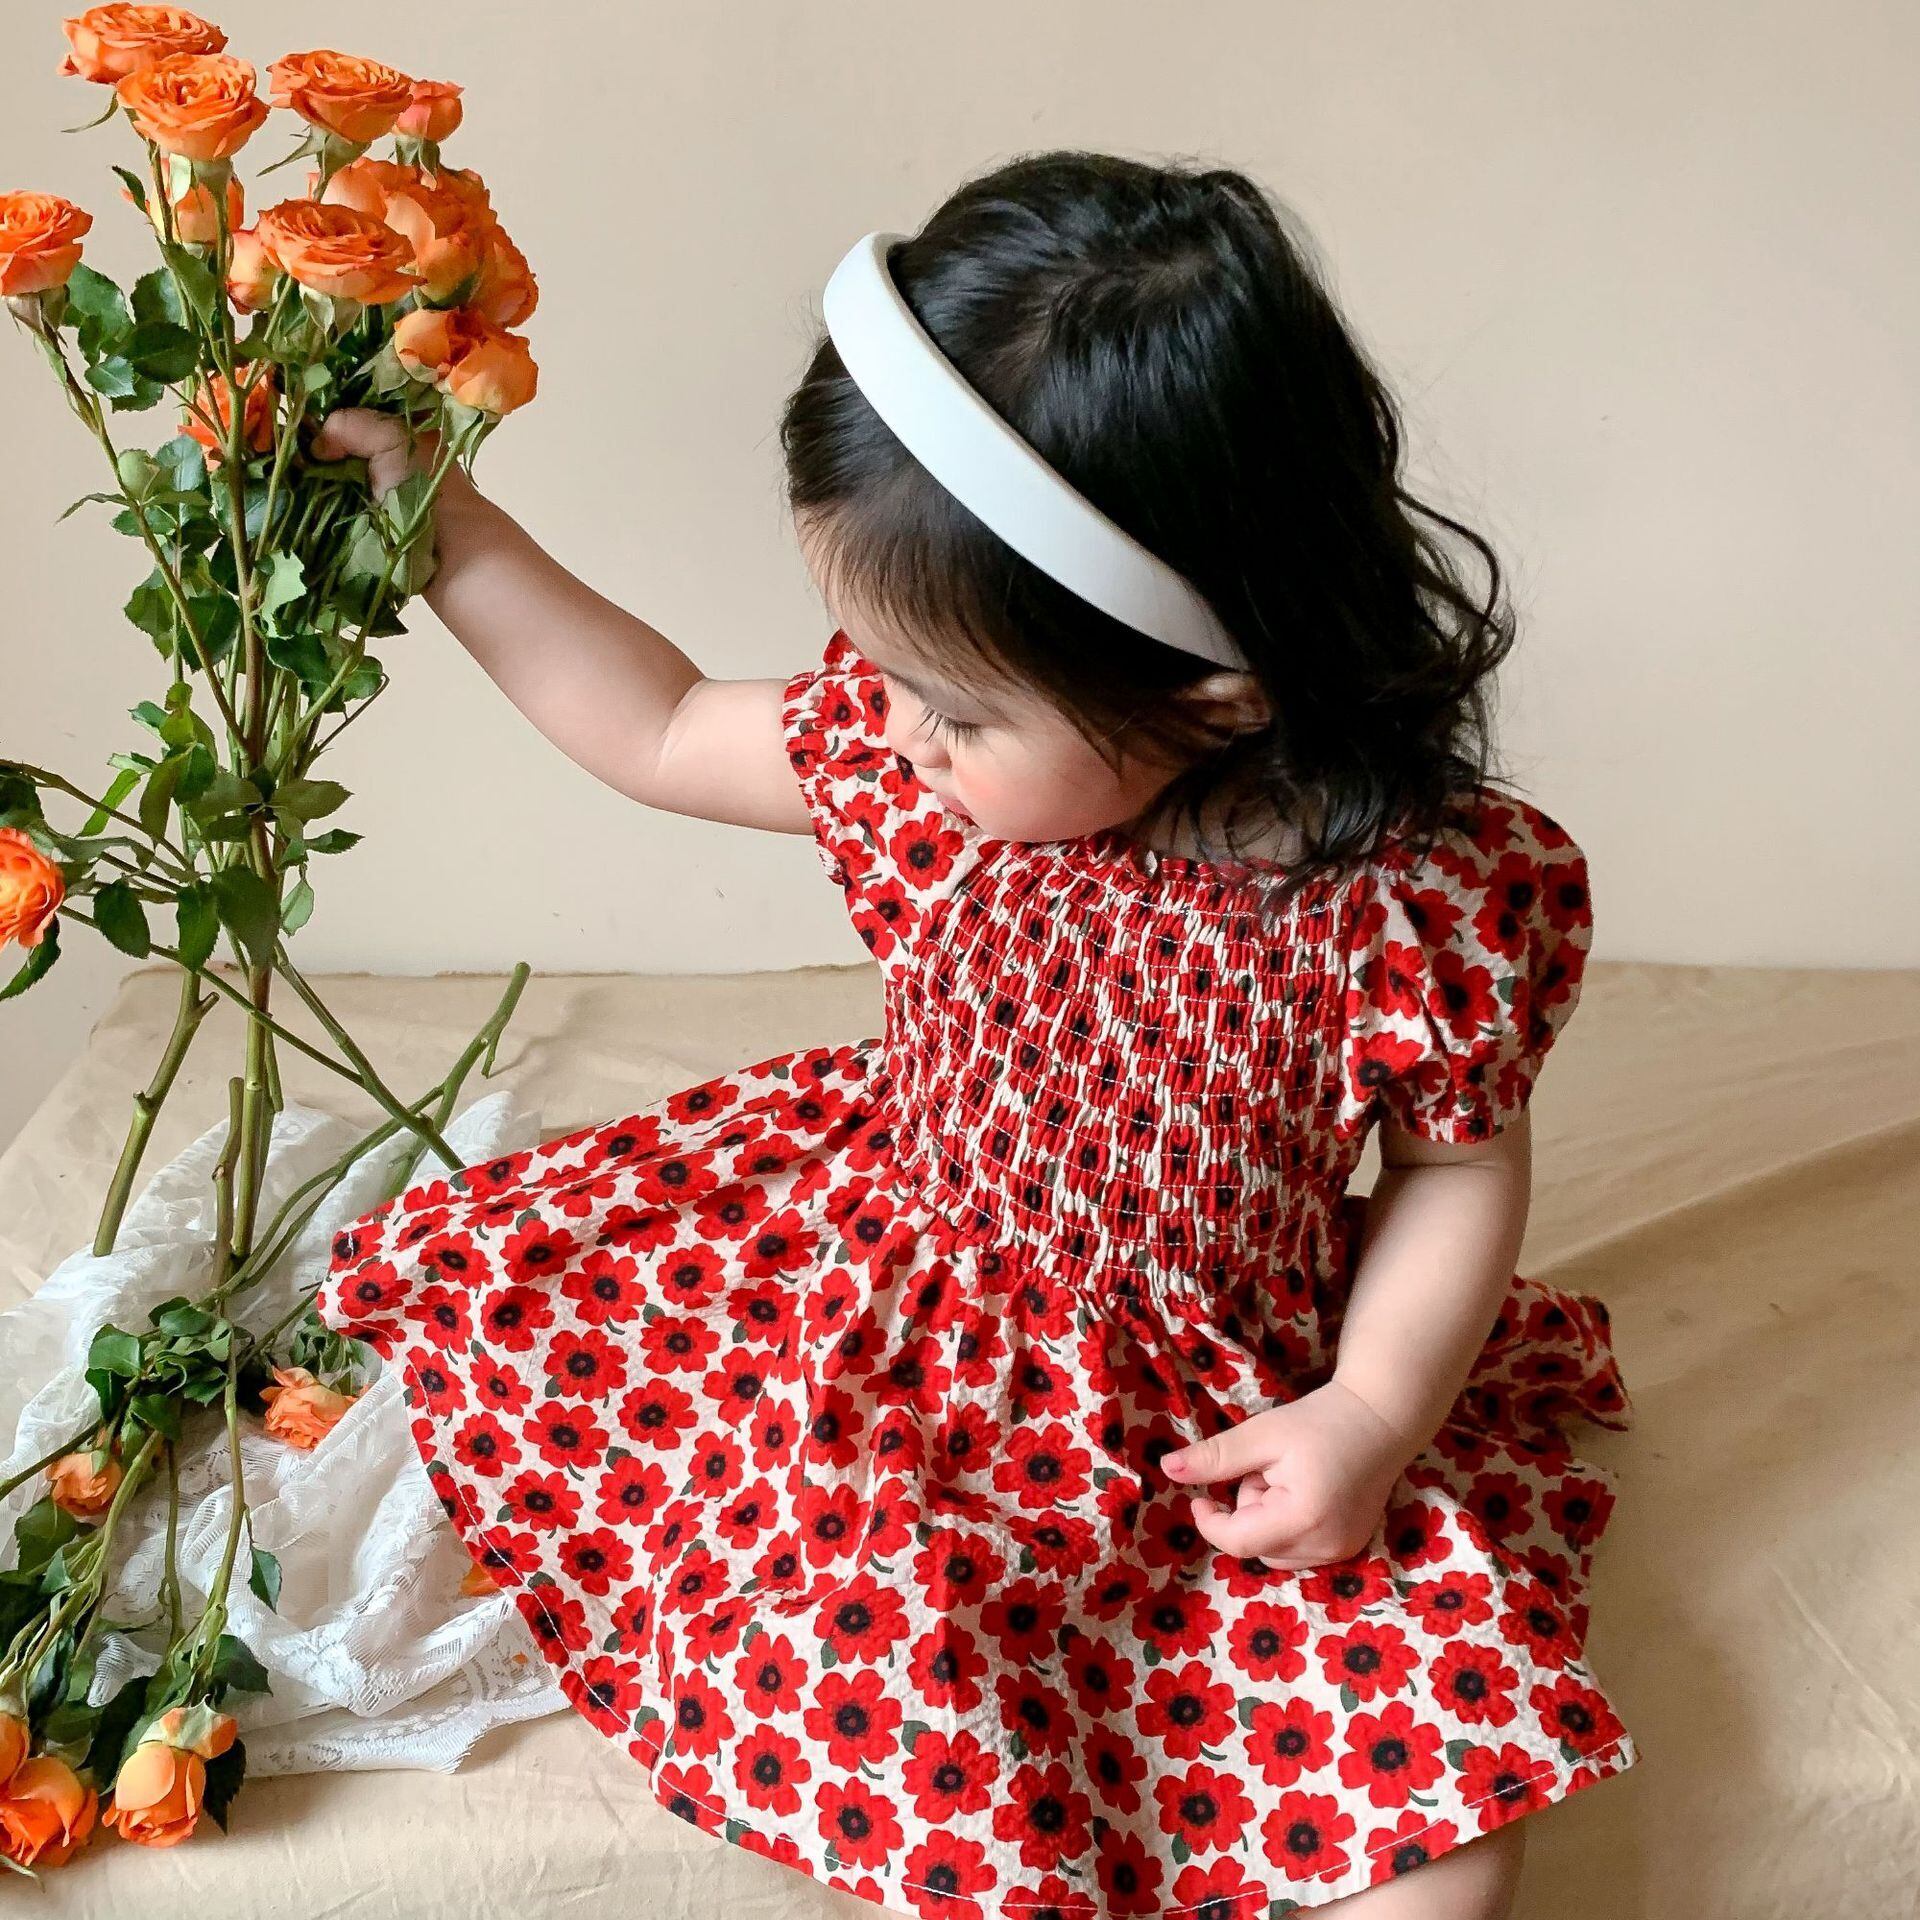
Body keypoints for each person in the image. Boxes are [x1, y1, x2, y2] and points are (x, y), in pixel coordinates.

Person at [313, 150, 1635, 1920]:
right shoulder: (927, 781)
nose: (893, 731)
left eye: (951, 705)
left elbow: (1458, 1166)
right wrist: (441, 518)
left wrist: (1374, 1411)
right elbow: (658, 723)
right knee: (920, 1665)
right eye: (883, 673)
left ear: (1214, 694)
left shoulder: (1413, 896)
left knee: (1443, 1834)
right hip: (902, 1324)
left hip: (1219, 1397)